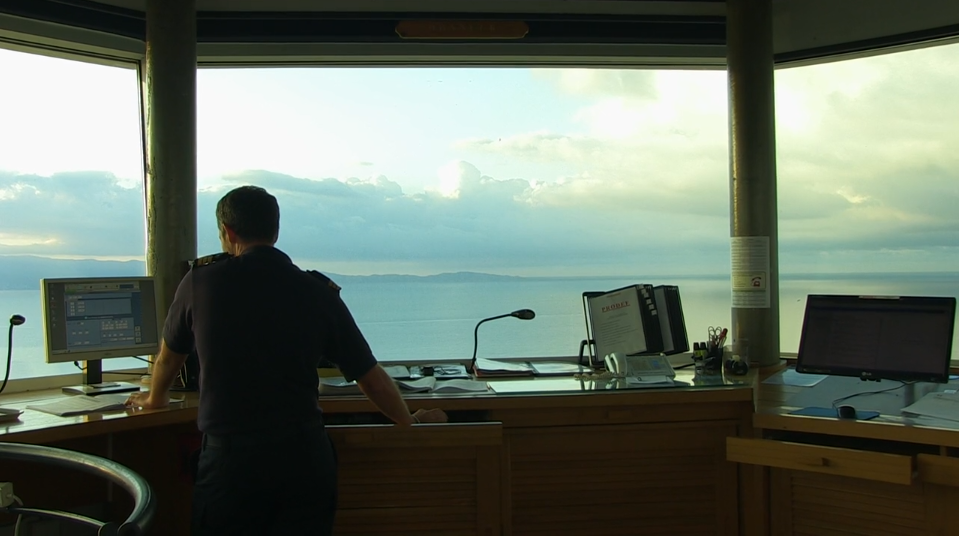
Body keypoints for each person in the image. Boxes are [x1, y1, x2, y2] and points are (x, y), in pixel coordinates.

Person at [125, 185, 447, 536]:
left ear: (228, 232)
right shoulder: (316, 291)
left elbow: (168, 358)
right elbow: (371, 378)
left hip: (231, 465)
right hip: (303, 461)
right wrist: (408, 421)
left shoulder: (200, 283)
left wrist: (155, 399)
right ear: (275, 232)